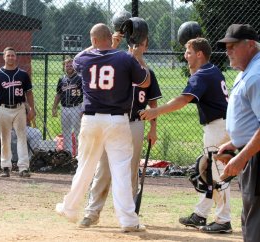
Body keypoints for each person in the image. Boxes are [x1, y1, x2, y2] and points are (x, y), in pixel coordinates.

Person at [55, 23, 150, 232]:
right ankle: (128, 221)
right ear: (111, 37)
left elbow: (80, 56)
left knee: (85, 167)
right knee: (121, 171)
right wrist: (132, 55)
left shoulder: (86, 58)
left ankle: (70, 208)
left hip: (91, 120)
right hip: (117, 120)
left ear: (94, 40)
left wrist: (99, 44)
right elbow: (145, 81)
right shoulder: (124, 58)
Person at [140, 38, 232, 233]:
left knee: (216, 174)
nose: (185, 56)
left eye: (189, 52)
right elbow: (193, 84)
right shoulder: (212, 70)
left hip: (217, 128)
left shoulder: (203, 75)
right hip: (221, 126)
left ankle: (224, 220)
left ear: (199, 54)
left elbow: (183, 99)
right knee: (207, 173)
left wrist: (156, 112)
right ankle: (201, 214)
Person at [79, 35, 161, 228]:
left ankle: (129, 215)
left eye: (140, 45)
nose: (136, 48)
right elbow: (99, 62)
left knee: (131, 170)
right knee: (104, 168)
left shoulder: (147, 71)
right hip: (114, 121)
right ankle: (92, 212)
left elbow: (153, 102)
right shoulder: (119, 64)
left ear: (145, 47)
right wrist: (114, 45)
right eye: (133, 45)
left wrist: (153, 128)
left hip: (136, 122)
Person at [216, 24, 260, 241]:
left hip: (255, 157)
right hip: (250, 153)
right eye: (226, 46)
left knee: (256, 220)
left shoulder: (256, 75)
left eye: (232, 46)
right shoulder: (248, 72)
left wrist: (242, 157)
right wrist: (235, 143)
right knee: (251, 214)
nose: (227, 51)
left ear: (250, 45)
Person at [0, 47, 36, 178]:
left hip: (19, 108)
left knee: (21, 137)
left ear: (16, 57)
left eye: (13, 55)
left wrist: (31, 108)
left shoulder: (23, 74)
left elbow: (29, 93)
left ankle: (23, 168)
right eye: (8, 55)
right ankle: (6, 167)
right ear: (4, 57)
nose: (10, 58)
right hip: (3, 109)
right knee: (5, 138)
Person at [52, 58, 83, 155]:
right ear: (64, 67)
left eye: (71, 65)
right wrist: (54, 107)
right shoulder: (62, 79)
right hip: (64, 108)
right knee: (66, 132)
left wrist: (84, 109)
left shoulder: (79, 78)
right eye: (67, 65)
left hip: (77, 107)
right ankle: (68, 153)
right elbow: (58, 94)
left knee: (78, 131)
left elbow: (85, 94)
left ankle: (79, 154)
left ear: (74, 66)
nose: (69, 67)